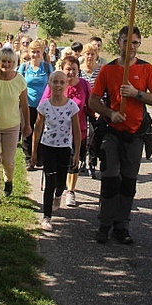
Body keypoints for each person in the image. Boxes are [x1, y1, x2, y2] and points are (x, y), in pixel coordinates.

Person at [87, 26, 152, 245]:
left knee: (128, 182)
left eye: (135, 43)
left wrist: (136, 94)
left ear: (139, 45)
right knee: (110, 178)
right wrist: (110, 113)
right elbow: (93, 101)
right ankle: (104, 224)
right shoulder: (108, 70)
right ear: (118, 43)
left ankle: (122, 226)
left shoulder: (146, 69)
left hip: (135, 135)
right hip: (112, 132)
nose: (130, 47)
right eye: (126, 41)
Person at [31, 71, 81, 231]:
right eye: (55, 82)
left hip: (64, 148)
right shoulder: (44, 105)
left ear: (67, 84)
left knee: (60, 183)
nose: (58, 85)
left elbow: (77, 131)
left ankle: (59, 195)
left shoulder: (71, 106)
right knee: (50, 182)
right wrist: (34, 152)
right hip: (48, 147)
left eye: (61, 82)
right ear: (50, 84)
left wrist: (77, 152)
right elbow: (37, 129)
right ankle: (46, 217)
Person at [0, 48, 31, 206]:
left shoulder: (20, 80)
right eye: (4, 61)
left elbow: (24, 105)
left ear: (14, 63)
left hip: (12, 126)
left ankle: (8, 180)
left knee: (8, 161)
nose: (6, 64)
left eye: (10, 61)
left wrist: (27, 125)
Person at [41, 56, 90, 207]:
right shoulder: (55, 83)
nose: (71, 72)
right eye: (68, 69)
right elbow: (43, 103)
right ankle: (57, 190)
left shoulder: (84, 84)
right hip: (56, 134)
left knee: (74, 163)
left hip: (78, 130)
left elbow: (90, 104)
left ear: (78, 70)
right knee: (58, 169)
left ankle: (70, 191)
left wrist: (96, 114)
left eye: (74, 69)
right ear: (62, 69)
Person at [18, 40, 53, 170]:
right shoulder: (24, 67)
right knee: (27, 130)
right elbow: (18, 84)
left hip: (43, 106)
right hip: (27, 104)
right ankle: (28, 159)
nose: (35, 54)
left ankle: (39, 158)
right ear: (29, 52)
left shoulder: (47, 68)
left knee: (42, 131)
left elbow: (52, 86)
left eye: (38, 52)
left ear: (42, 52)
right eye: (33, 52)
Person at [79, 42, 103, 178]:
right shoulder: (80, 71)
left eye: (92, 54)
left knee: (94, 135)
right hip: (81, 107)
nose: (90, 57)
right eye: (87, 54)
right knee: (82, 135)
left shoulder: (100, 71)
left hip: (96, 107)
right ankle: (81, 160)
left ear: (96, 55)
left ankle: (92, 163)